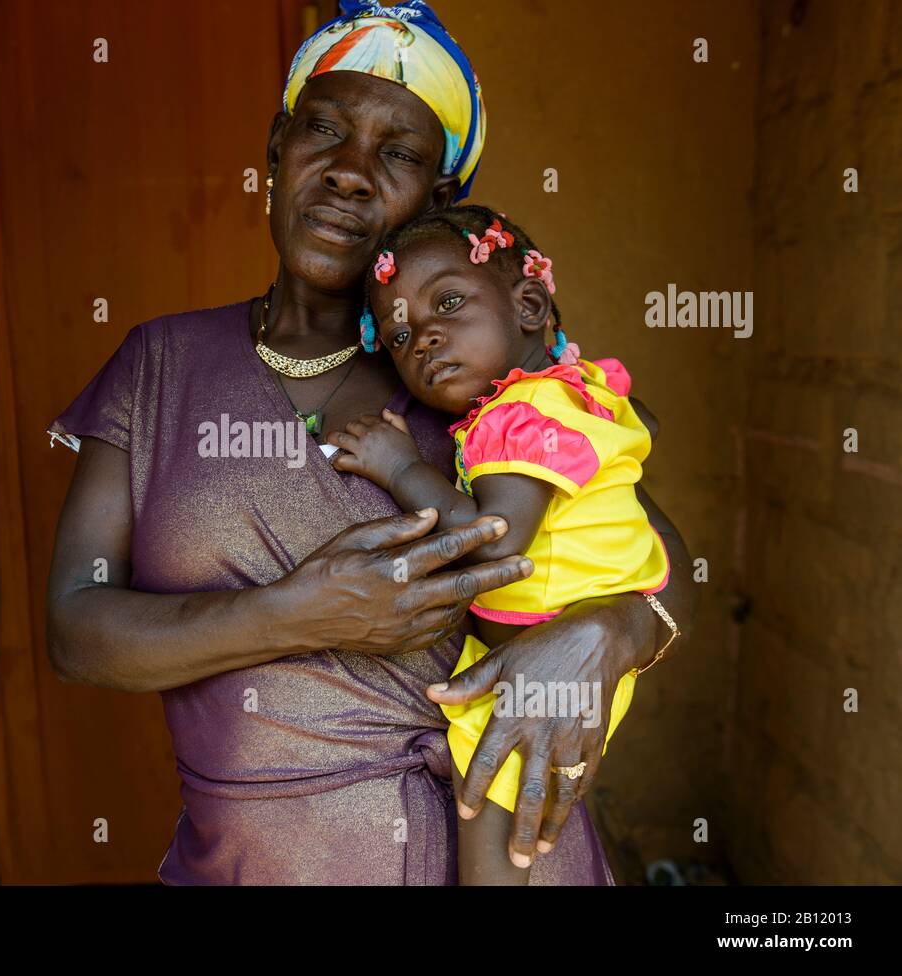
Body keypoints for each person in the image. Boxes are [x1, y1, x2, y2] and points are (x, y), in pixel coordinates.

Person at [45, 0, 696, 883]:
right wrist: (293, 612)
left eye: (396, 154)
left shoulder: (473, 378)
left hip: (494, 848)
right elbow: (78, 628)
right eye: (325, 131)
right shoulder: (159, 367)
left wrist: (606, 636)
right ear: (275, 151)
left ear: (436, 201)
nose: (351, 173)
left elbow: (661, 563)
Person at [327, 203, 677, 883]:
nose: (422, 339)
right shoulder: (568, 394)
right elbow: (648, 425)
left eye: (448, 302)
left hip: (548, 667)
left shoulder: (521, 416)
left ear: (530, 305)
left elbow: (493, 544)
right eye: (398, 337)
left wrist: (400, 468)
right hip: (558, 645)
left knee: (488, 826)